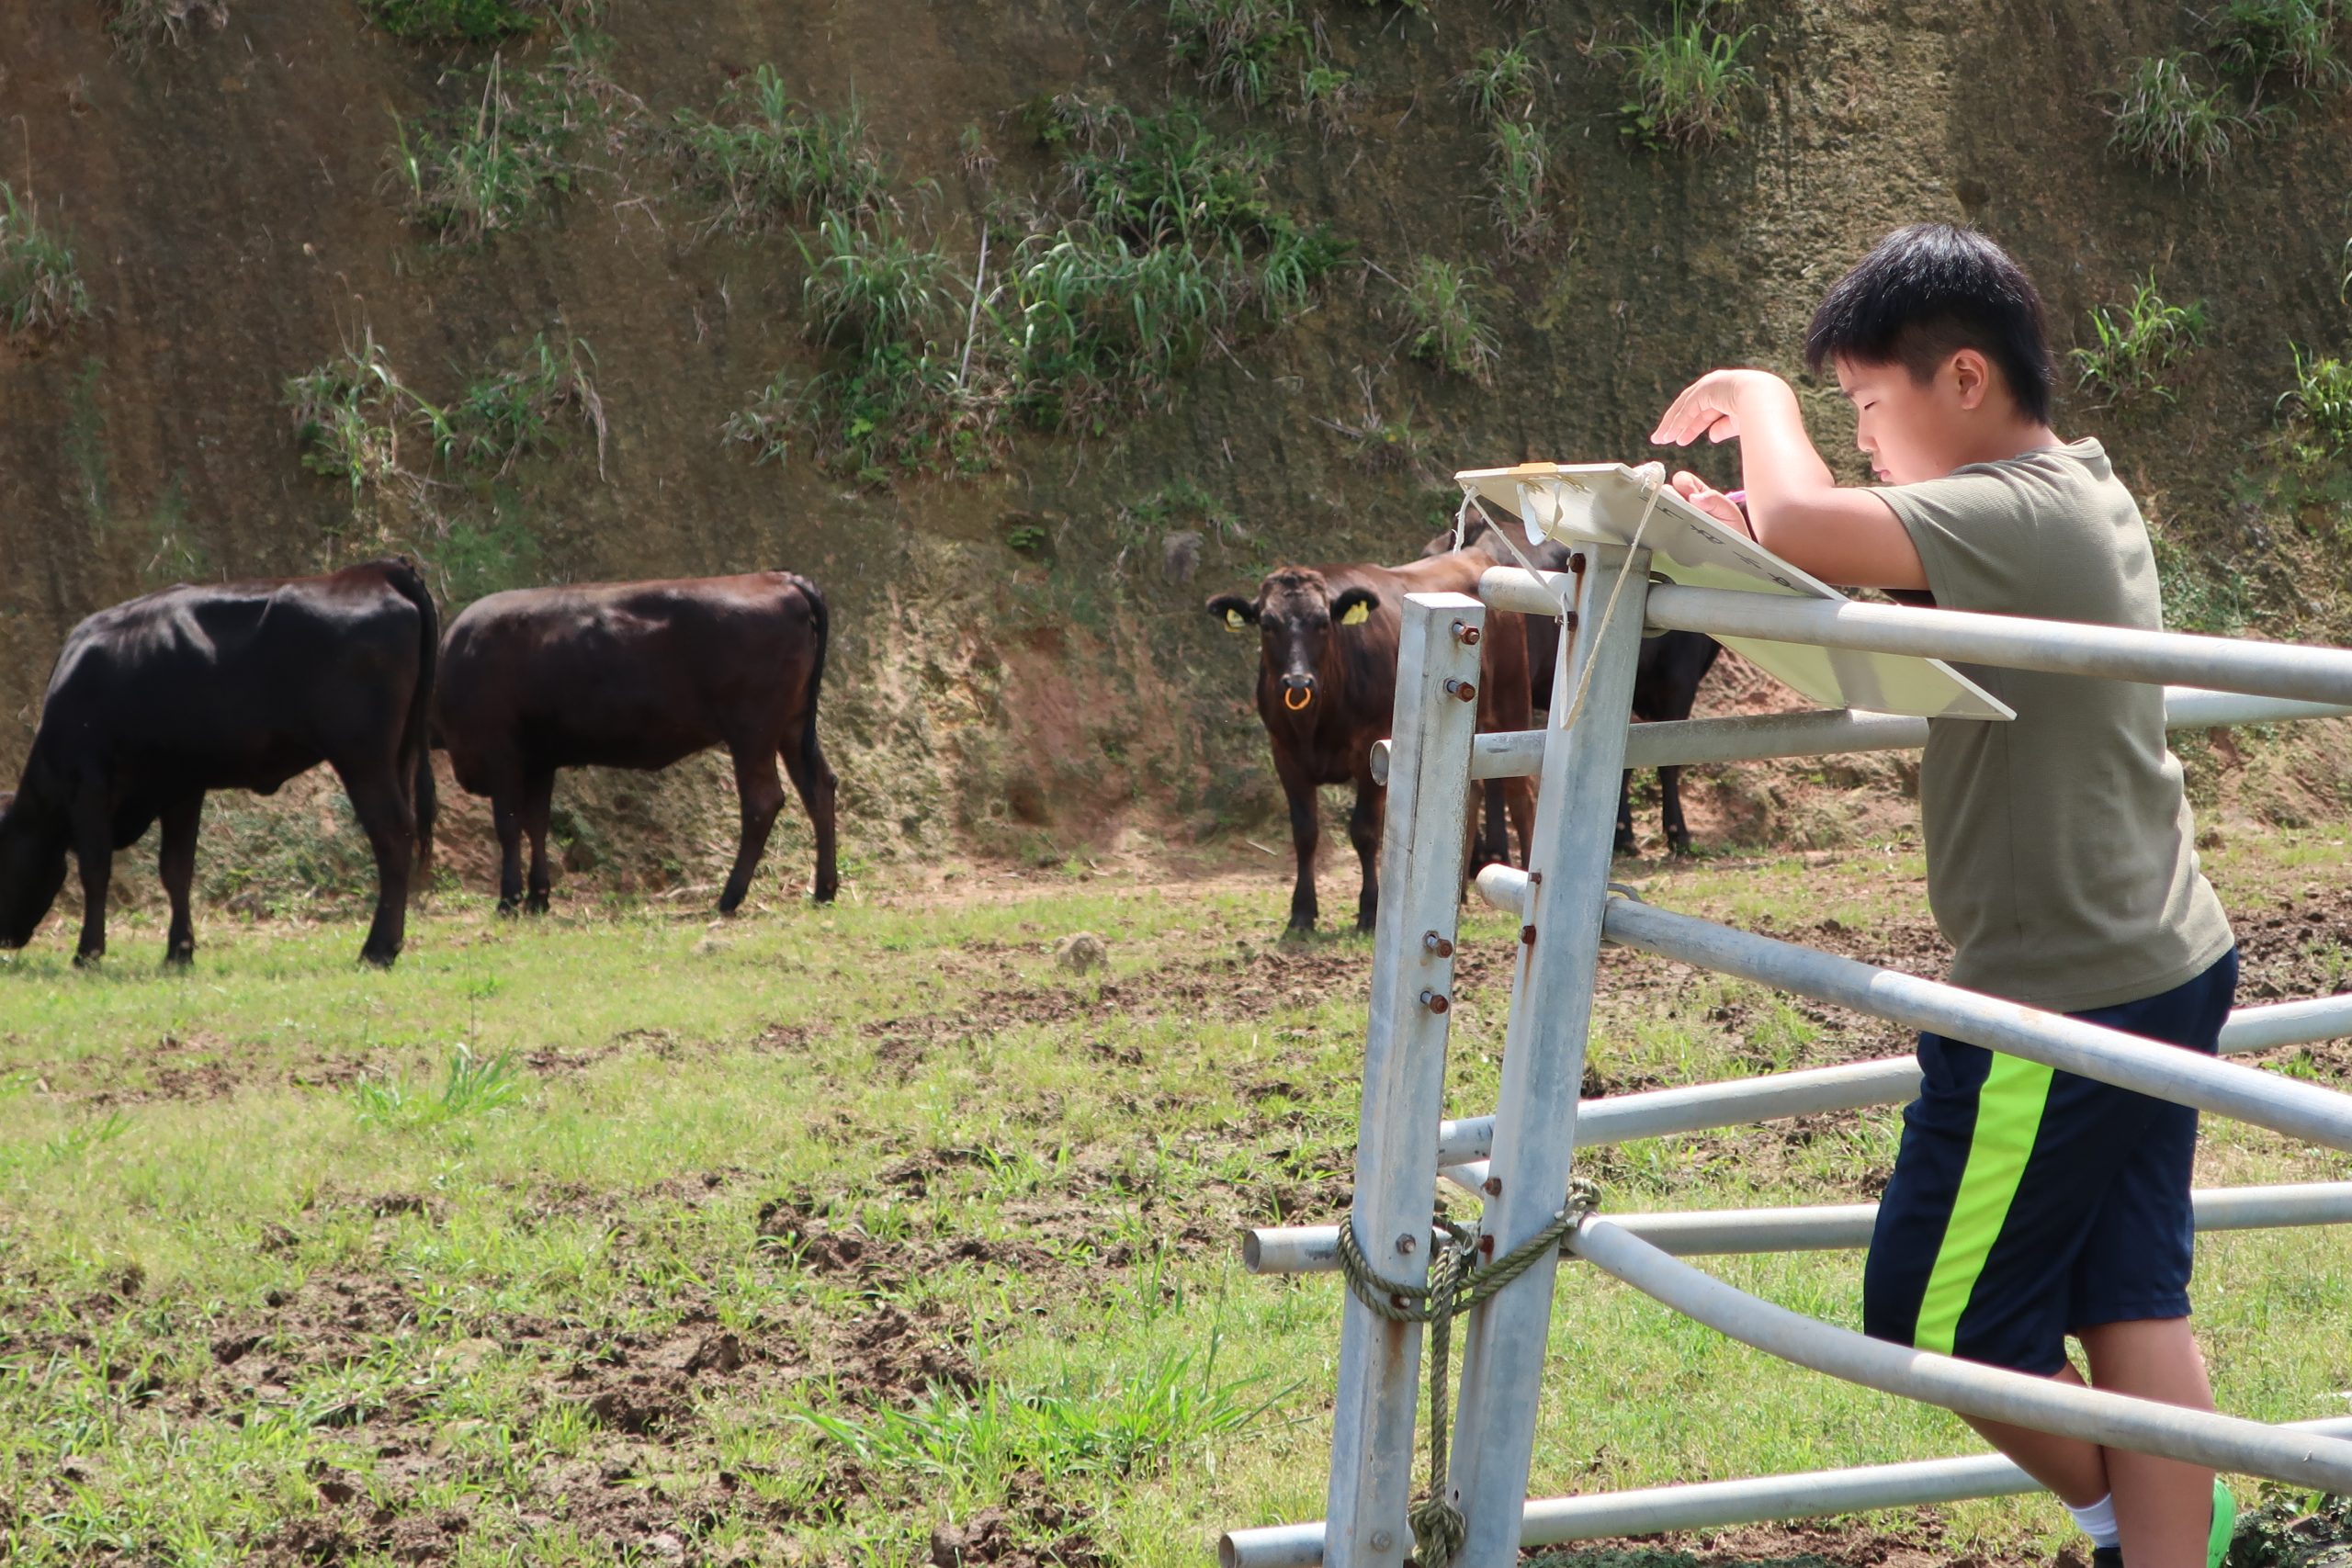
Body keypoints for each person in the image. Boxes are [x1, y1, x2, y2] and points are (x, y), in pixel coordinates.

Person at [1649, 222, 2239, 1568]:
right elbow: (1830, 621)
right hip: (2152, 950)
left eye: (1866, 404)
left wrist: (1756, 396)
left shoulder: (2016, 516)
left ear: (1963, 382)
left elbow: (1802, 520)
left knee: (1937, 1315)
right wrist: (1726, 539)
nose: (1857, 436)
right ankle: (2171, 1543)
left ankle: (2138, 1518)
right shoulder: (2064, 495)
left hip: (2065, 983)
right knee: (2124, 1296)